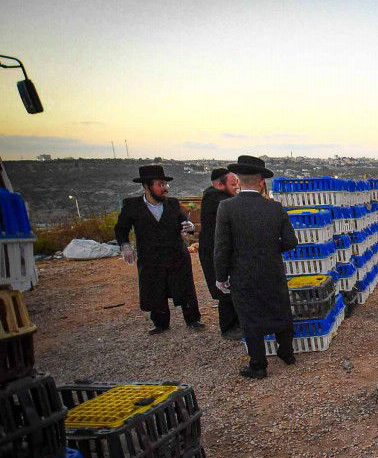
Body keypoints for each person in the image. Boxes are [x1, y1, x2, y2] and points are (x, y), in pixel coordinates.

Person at [213, 156, 298, 379]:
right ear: (261, 181)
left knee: (250, 317)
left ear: (239, 181)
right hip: (272, 270)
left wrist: (220, 277)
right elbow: (291, 242)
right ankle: (287, 353)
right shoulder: (275, 208)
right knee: (280, 309)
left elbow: (222, 246)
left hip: (243, 273)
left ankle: (258, 364)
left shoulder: (227, 207)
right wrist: (270, 249)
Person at [115, 164, 204, 335]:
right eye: (160, 184)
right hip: (150, 257)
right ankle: (160, 323)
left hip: (176, 254)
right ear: (147, 186)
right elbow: (121, 228)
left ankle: (193, 319)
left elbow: (184, 222)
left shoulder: (172, 203)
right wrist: (125, 245)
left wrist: (190, 226)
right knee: (155, 289)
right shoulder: (132, 206)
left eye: (165, 184)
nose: (165, 189)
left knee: (185, 288)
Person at [199, 167, 241, 339]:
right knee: (225, 290)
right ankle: (228, 327)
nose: (237, 187)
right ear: (219, 184)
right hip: (216, 251)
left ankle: (236, 323)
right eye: (233, 184)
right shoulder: (216, 200)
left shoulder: (220, 197)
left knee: (230, 288)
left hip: (221, 250)